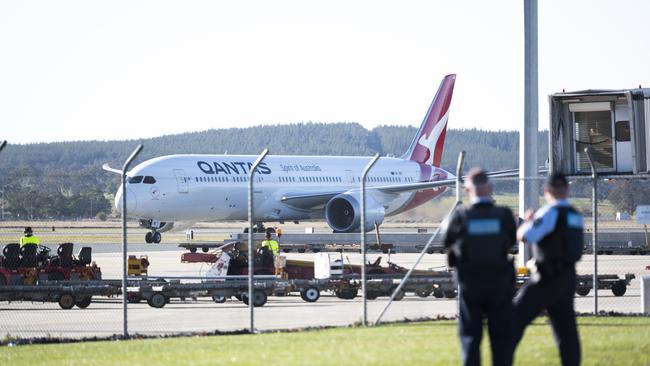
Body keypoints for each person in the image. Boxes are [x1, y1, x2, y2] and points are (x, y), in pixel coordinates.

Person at [443, 167, 517, 366]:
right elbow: (511, 239)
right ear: (490, 188)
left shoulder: (460, 216)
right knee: (501, 339)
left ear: (467, 190)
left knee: (470, 337)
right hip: (499, 283)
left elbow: (447, 240)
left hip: (471, 283)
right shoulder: (503, 215)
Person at [512, 173, 583, 366]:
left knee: (513, 321)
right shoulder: (575, 215)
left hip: (546, 278)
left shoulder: (549, 213)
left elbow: (525, 236)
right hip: (568, 278)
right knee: (566, 332)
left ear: (546, 191)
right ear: (567, 190)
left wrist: (528, 221)